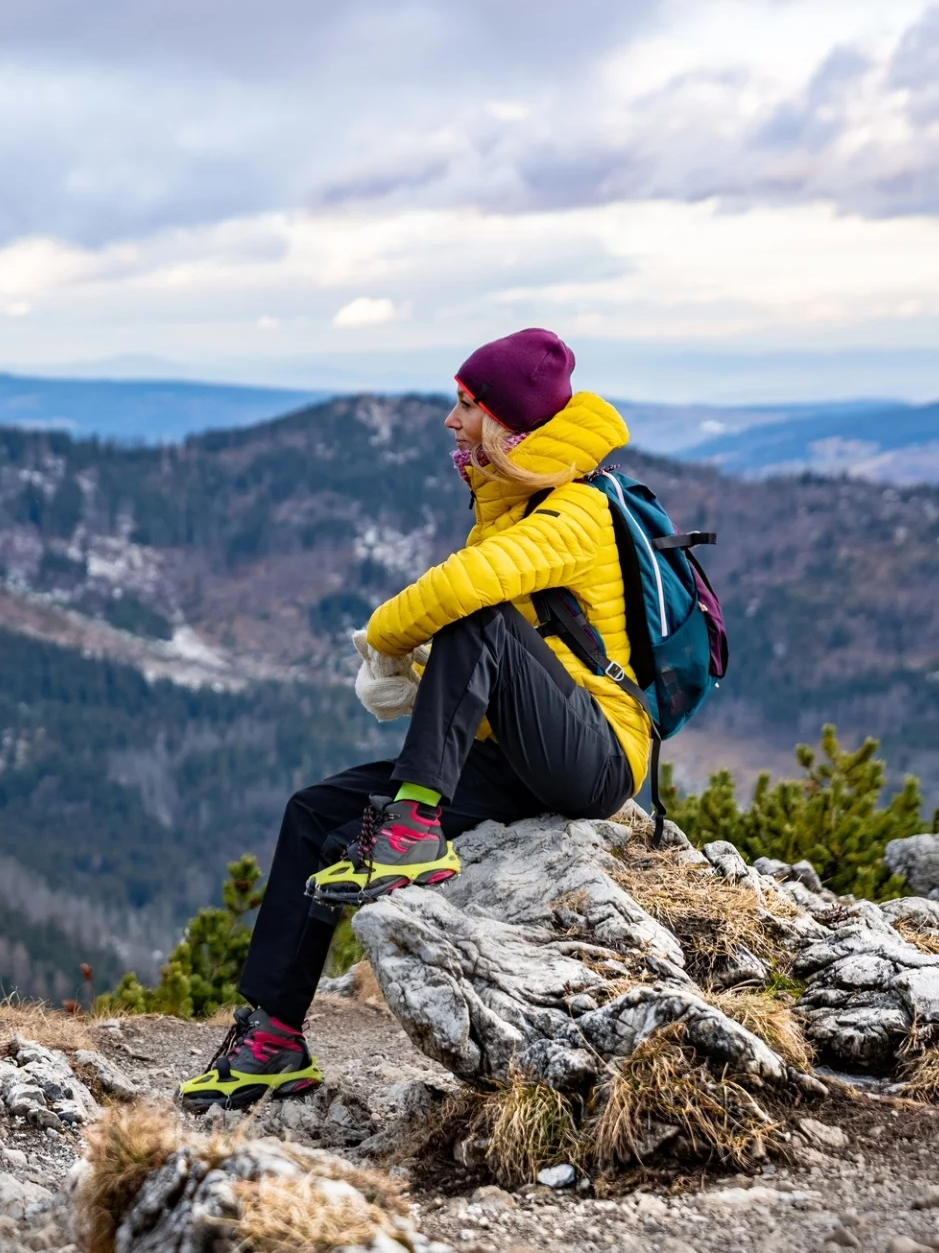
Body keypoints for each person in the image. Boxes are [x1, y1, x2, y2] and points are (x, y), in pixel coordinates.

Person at [179, 328, 650, 1110]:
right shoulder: (511, 511)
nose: (450, 420)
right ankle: (271, 1037)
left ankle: (411, 828)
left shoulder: (577, 512)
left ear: (511, 423)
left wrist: (382, 642)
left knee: (478, 608)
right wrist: (424, 674)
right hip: (522, 759)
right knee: (314, 815)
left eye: (467, 404)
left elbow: (469, 597)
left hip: (596, 759)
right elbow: (507, 670)